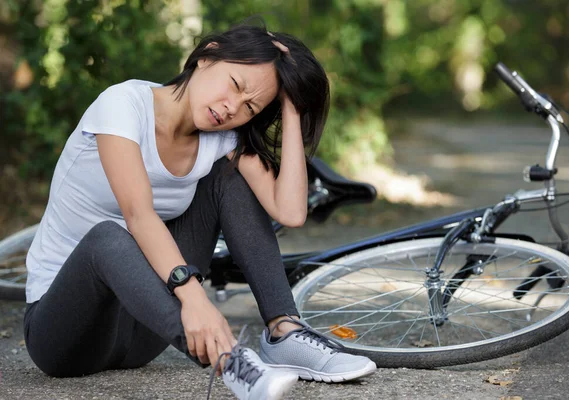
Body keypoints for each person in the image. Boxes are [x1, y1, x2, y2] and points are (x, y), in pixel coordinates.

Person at [23, 21, 376, 400]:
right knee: (108, 237)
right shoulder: (122, 106)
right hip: (64, 334)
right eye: (236, 85)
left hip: (144, 330)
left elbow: (290, 212)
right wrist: (195, 301)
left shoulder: (221, 141)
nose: (232, 108)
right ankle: (231, 363)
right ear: (207, 56)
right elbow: (138, 215)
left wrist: (291, 109)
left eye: (250, 107)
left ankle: (285, 331)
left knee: (226, 177)